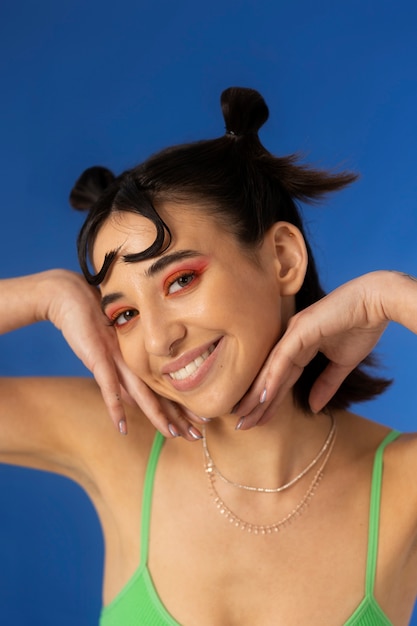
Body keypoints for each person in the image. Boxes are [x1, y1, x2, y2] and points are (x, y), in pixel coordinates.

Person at [1, 86, 417, 626]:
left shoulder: (401, 484)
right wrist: (40, 295)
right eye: (123, 314)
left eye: (180, 281)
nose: (157, 341)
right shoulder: (114, 442)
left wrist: (394, 295)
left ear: (283, 258)